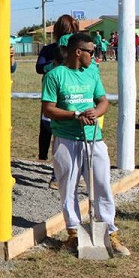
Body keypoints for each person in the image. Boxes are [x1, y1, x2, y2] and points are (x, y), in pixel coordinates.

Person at [41, 33, 130, 257]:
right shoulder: (54, 76)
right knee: (67, 188)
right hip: (66, 140)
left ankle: (110, 233)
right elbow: (48, 109)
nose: (94, 55)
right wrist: (75, 115)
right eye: (91, 51)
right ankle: (73, 234)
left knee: (101, 186)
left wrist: (96, 112)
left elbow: (103, 101)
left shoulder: (92, 72)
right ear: (77, 52)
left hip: (93, 139)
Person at [36, 14, 79, 186]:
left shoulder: (51, 49)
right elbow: (40, 67)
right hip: (71, 94)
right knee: (63, 134)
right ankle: (60, 173)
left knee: (56, 133)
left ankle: (56, 172)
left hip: (54, 95)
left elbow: (40, 68)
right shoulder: (75, 49)